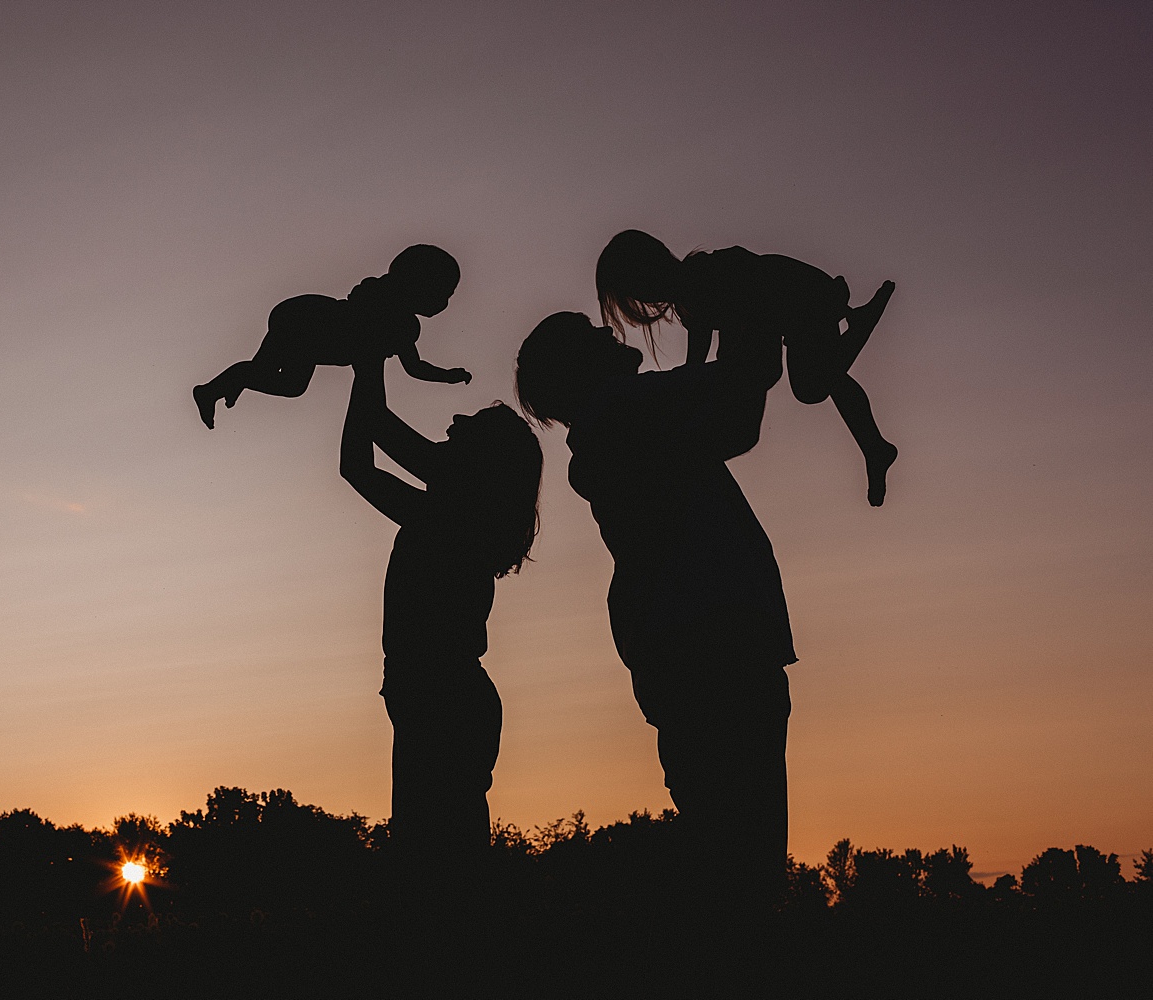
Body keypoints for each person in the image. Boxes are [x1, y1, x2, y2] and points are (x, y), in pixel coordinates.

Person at [515, 311, 791, 912]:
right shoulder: (626, 405)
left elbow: (724, 405)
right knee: (747, 858)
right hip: (719, 640)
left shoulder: (612, 425)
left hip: (680, 646)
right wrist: (751, 298)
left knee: (723, 847)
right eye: (591, 334)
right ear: (580, 368)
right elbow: (743, 397)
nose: (608, 332)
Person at [339, 356, 541, 859]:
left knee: (433, 862)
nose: (452, 423)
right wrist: (370, 362)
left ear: (478, 465)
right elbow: (366, 452)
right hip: (442, 696)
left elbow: (363, 454)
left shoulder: (449, 517)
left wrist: (369, 360)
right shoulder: (457, 513)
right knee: (444, 856)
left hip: (439, 698)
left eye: (465, 430)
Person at [596, 229, 898, 505]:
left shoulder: (703, 276)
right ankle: (874, 446)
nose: (646, 296)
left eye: (639, 286)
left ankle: (860, 328)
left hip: (802, 297)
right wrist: (695, 380)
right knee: (826, 379)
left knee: (813, 386)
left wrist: (718, 368)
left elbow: (750, 297)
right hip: (795, 308)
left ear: (653, 265)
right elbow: (699, 355)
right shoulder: (690, 300)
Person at [194, 245, 471, 429]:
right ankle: (215, 389)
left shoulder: (401, 325)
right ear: (415, 286)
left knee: (277, 378)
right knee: (284, 380)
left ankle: (224, 386)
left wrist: (447, 375)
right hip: (303, 320)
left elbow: (414, 368)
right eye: (441, 293)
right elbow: (374, 374)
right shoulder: (386, 319)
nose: (443, 303)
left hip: (304, 322)